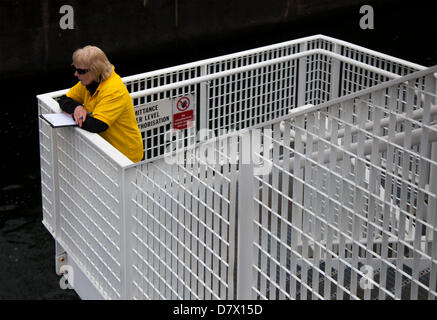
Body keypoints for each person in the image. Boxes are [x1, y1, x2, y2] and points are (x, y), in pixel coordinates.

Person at [59, 45, 143, 163]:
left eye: (80, 71)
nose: (76, 74)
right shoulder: (90, 81)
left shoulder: (114, 90)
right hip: (106, 151)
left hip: (125, 156)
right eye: (75, 69)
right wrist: (78, 108)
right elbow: (64, 99)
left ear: (95, 70)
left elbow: (97, 125)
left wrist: (73, 115)